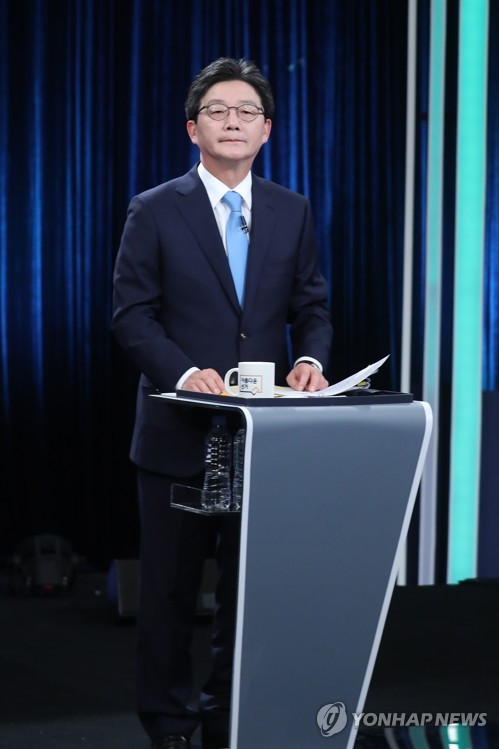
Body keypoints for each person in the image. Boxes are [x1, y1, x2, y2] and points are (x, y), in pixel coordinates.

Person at [112, 57, 333, 749]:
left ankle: (227, 714)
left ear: (266, 130)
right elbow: (131, 316)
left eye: (246, 112)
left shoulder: (291, 210)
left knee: (249, 596)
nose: (232, 121)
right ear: (192, 128)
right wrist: (184, 372)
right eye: (217, 111)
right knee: (169, 595)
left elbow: (312, 307)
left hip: (264, 439)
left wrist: (309, 359)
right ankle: (169, 724)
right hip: (178, 431)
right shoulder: (155, 209)